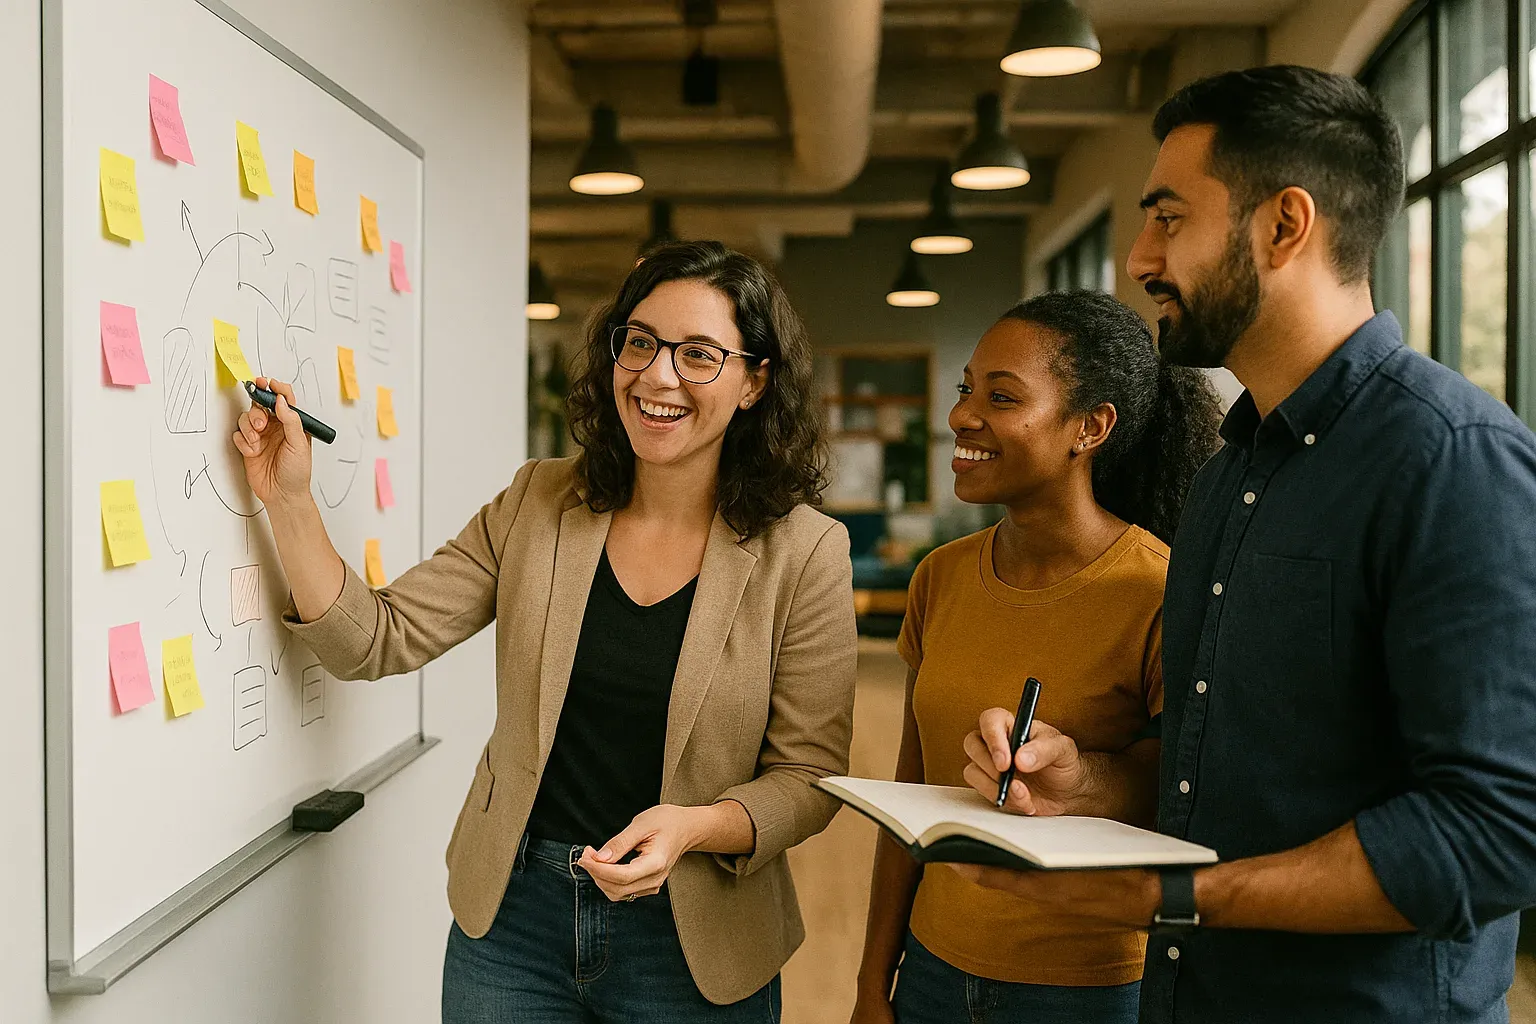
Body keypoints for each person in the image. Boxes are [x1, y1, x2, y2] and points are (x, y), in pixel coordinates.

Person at [957, 65, 1536, 1024]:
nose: (1142, 258)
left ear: (1283, 225)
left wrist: (1173, 898)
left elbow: (1502, 829)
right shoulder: (1229, 475)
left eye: (1169, 218)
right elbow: (1209, 773)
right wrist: (1090, 784)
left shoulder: (1453, 461)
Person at [232, 241, 858, 1023]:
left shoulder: (804, 551)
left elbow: (808, 776)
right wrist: (289, 500)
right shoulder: (539, 501)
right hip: (516, 921)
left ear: (754, 380)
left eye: (699, 355)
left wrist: (695, 828)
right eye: (640, 342)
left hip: (693, 934)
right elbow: (375, 638)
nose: (658, 376)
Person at [850, 290, 1222, 1024]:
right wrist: (872, 980)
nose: (961, 415)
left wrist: (1082, 775)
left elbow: (1180, 798)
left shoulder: (1161, 592)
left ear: (1091, 427)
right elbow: (909, 796)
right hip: (931, 968)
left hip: (1088, 991)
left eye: (1002, 396)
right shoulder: (942, 576)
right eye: (966, 390)